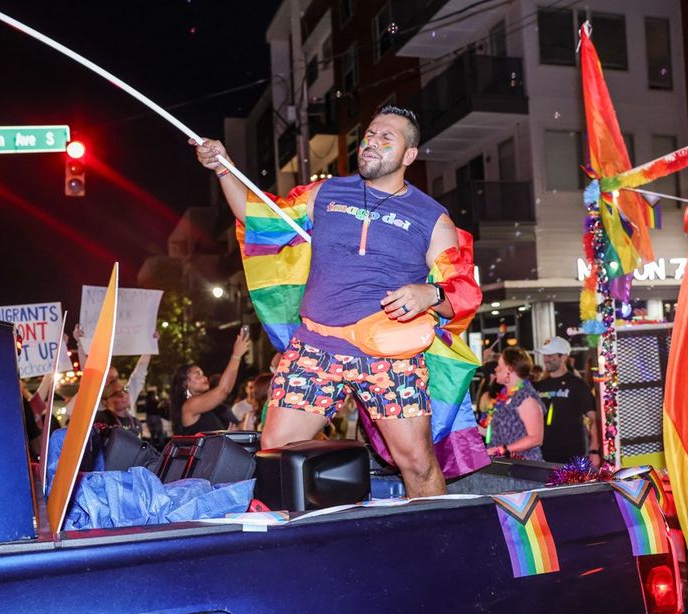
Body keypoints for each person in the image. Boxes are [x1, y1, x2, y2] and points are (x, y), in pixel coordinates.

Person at [192, 105, 481, 497]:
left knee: (416, 463)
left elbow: (463, 290)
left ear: (409, 155)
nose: (372, 142)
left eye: (386, 138)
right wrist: (223, 168)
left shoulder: (432, 217)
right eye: (370, 135)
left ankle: (438, 547)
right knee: (274, 451)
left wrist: (429, 292)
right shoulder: (324, 192)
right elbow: (260, 217)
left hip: (389, 357)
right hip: (316, 346)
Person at [533, 337, 600, 466]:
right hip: (543, 454)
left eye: (550, 355)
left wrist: (594, 450)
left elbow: (593, 418)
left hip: (572, 454)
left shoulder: (577, 384)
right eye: (544, 355)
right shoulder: (539, 386)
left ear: (563, 357)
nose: (545, 359)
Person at [170, 331, 251, 435]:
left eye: (203, 374)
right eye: (198, 374)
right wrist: (236, 355)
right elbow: (223, 390)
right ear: (185, 384)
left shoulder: (205, 408)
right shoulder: (189, 406)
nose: (204, 377)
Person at [482, 347, 545, 461]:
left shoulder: (526, 397)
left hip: (523, 467)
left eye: (499, 366)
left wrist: (502, 450)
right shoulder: (504, 396)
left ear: (509, 369)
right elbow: (495, 432)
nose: (496, 369)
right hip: (506, 465)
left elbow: (536, 438)